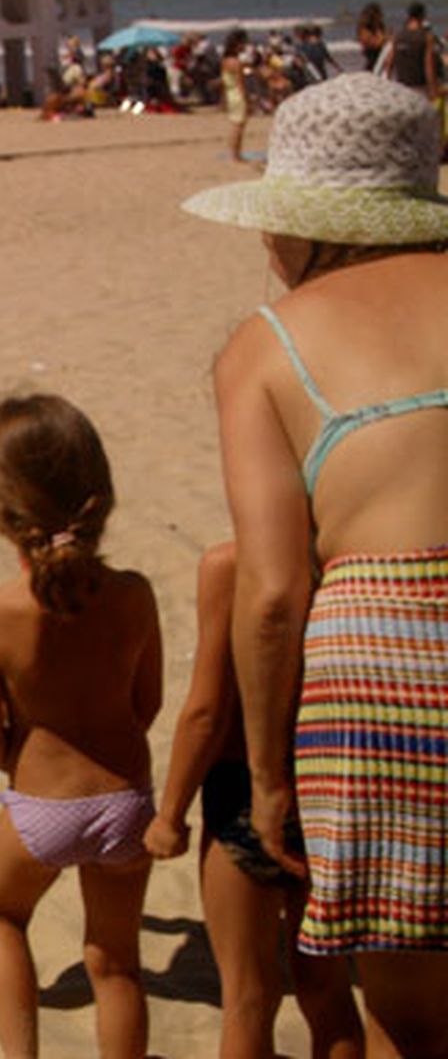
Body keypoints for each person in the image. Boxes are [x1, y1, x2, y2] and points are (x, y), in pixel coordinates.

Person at [187, 73, 448, 1057]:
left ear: (305, 224)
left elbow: (271, 595)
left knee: (411, 1022)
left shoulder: (265, 346)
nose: (264, 245)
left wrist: (264, 781)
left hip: (385, 669)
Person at [0, 394, 160, 1059]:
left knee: (0, 916)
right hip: (126, 801)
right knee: (117, 963)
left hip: (41, 807)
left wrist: (21, 754)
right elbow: (148, 702)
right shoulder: (134, 594)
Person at [145, 542, 363, 1058]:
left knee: (247, 998)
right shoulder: (351, 558)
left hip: (243, 787)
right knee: (326, 991)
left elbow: (207, 711)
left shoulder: (231, 566)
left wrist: (170, 814)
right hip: (327, 786)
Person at [382, 1, 441, 103]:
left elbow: (389, 63)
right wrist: (433, 91)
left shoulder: (398, 37)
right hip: (420, 89)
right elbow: (429, 67)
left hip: (402, 88)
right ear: (422, 16)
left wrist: (387, 86)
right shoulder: (426, 37)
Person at [221, 29, 251, 164]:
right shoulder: (236, 63)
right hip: (237, 95)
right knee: (239, 126)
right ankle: (236, 155)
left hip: (230, 93)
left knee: (235, 124)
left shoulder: (225, 60)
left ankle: (234, 153)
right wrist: (247, 99)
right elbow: (241, 84)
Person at [356, 3, 388, 73]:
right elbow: (374, 43)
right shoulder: (365, 28)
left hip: (377, 54)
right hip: (373, 54)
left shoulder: (379, 26)